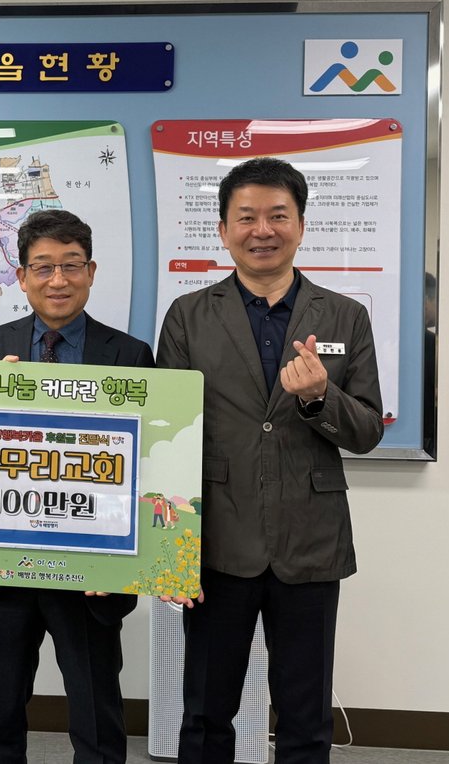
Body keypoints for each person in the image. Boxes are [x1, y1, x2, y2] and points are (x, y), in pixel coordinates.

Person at [156, 157, 384, 764]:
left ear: (301, 226)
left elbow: (366, 431)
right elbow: (167, 434)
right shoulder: (188, 316)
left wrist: (319, 397)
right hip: (215, 540)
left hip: (310, 539)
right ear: (223, 229)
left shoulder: (345, 315)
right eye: (247, 217)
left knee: (305, 715)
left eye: (278, 216)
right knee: (206, 712)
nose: (263, 230)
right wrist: (169, 551)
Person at [0, 209, 154, 764]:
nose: (58, 280)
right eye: (43, 267)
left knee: (96, 712)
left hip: (92, 571)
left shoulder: (130, 355)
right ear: (21, 277)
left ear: (91, 272)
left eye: (71, 265)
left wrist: (125, 562)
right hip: (6, 565)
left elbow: (146, 465)